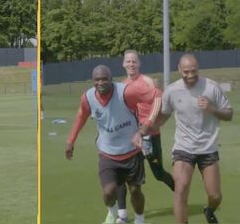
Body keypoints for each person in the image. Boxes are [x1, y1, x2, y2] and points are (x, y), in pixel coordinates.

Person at [65, 65, 161, 224]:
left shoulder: (126, 92)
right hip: (107, 155)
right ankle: (114, 213)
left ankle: (139, 219)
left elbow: (157, 96)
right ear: (92, 81)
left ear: (111, 79)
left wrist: (147, 126)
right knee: (109, 193)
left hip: (132, 152)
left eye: (105, 79)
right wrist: (70, 141)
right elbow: (81, 116)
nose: (101, 83)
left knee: (135, 191)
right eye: (97, 80)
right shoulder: (87, 98)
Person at [153, 54, 233, 223]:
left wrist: (212, 109)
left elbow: (229, 114)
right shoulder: (172, 91)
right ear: (179, 70)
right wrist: (146, 130)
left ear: (198, 69)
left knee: (215, 195)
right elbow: (164, 116)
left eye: (194, 71)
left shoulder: (211, 87)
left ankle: (209, 210)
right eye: (186, 72)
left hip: (208, 148)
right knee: (180, 189)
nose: (190, 75)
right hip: (183, 148)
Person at [114, 50, 175, 223]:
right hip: (131, 137)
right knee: (123, 174)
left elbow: (162, 104)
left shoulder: (148, 82)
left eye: (134, 61)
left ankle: (179, 192)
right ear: (123, 64)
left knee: (158, 173)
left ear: (139, 64)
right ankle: (123, 215)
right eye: (128, 61)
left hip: (151, 135)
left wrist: (153, 124)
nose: (131, 64)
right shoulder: (122, 85)